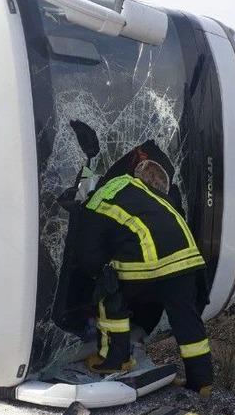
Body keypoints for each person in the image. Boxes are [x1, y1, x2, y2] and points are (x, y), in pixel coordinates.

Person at [78, 144, 213, 396]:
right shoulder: (146, 193)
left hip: (152, 263)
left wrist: (96, 274)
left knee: (108, 292)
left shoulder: (97, 200)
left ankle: (114, 360)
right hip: (189, 259)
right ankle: (201, 381)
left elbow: (89, 254)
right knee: (186, 319)